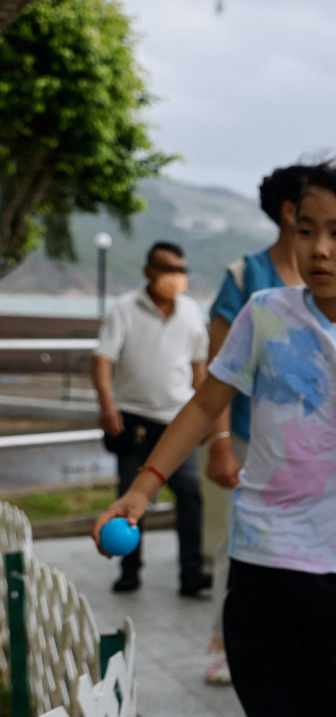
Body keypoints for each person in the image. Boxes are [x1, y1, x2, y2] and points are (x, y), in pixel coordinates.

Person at [93, 163, 336, 716]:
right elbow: (205, 404)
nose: (319, 248)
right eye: (306, 230)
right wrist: (142, 487)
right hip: (261, 554)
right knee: (266, 698)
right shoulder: (265, 313)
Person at [201, 165, 309, 685]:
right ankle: (224, 640)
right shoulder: (245, 276)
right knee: (241, 539)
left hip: (313, 446)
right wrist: (220, 443)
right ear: (291, 212)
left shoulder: (331, 277)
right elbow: (216, 369)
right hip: (248, 435)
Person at [92, 241, 212, 597]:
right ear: (149, 272)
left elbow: (198, 367)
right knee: (131, 496)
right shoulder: (125, 309)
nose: (176, 277)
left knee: (190, 493)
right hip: (133, 419)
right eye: (168, 269)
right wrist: (107, 405)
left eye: (181, 270)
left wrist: (203, 417)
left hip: (179, 419)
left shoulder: (191, 311)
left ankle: (190, 573)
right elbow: (102, 359)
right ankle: (130, 570)